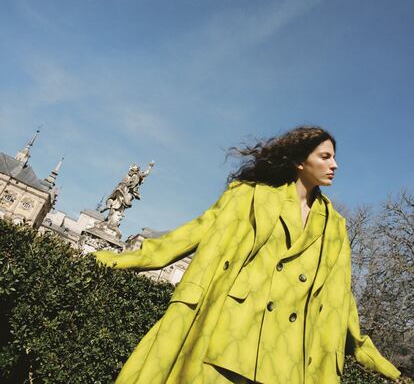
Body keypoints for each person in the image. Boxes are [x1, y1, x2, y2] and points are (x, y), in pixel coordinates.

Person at [94, 126, 401, 384]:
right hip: (229, 333)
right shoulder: (249, 195)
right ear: (300, 161)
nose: (334, 165)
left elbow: (340, 298)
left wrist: (364, 349)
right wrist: (123, 258)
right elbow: (195, 232)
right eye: (325, 156)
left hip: (286, 355)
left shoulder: (335, 226)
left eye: (334, 158)